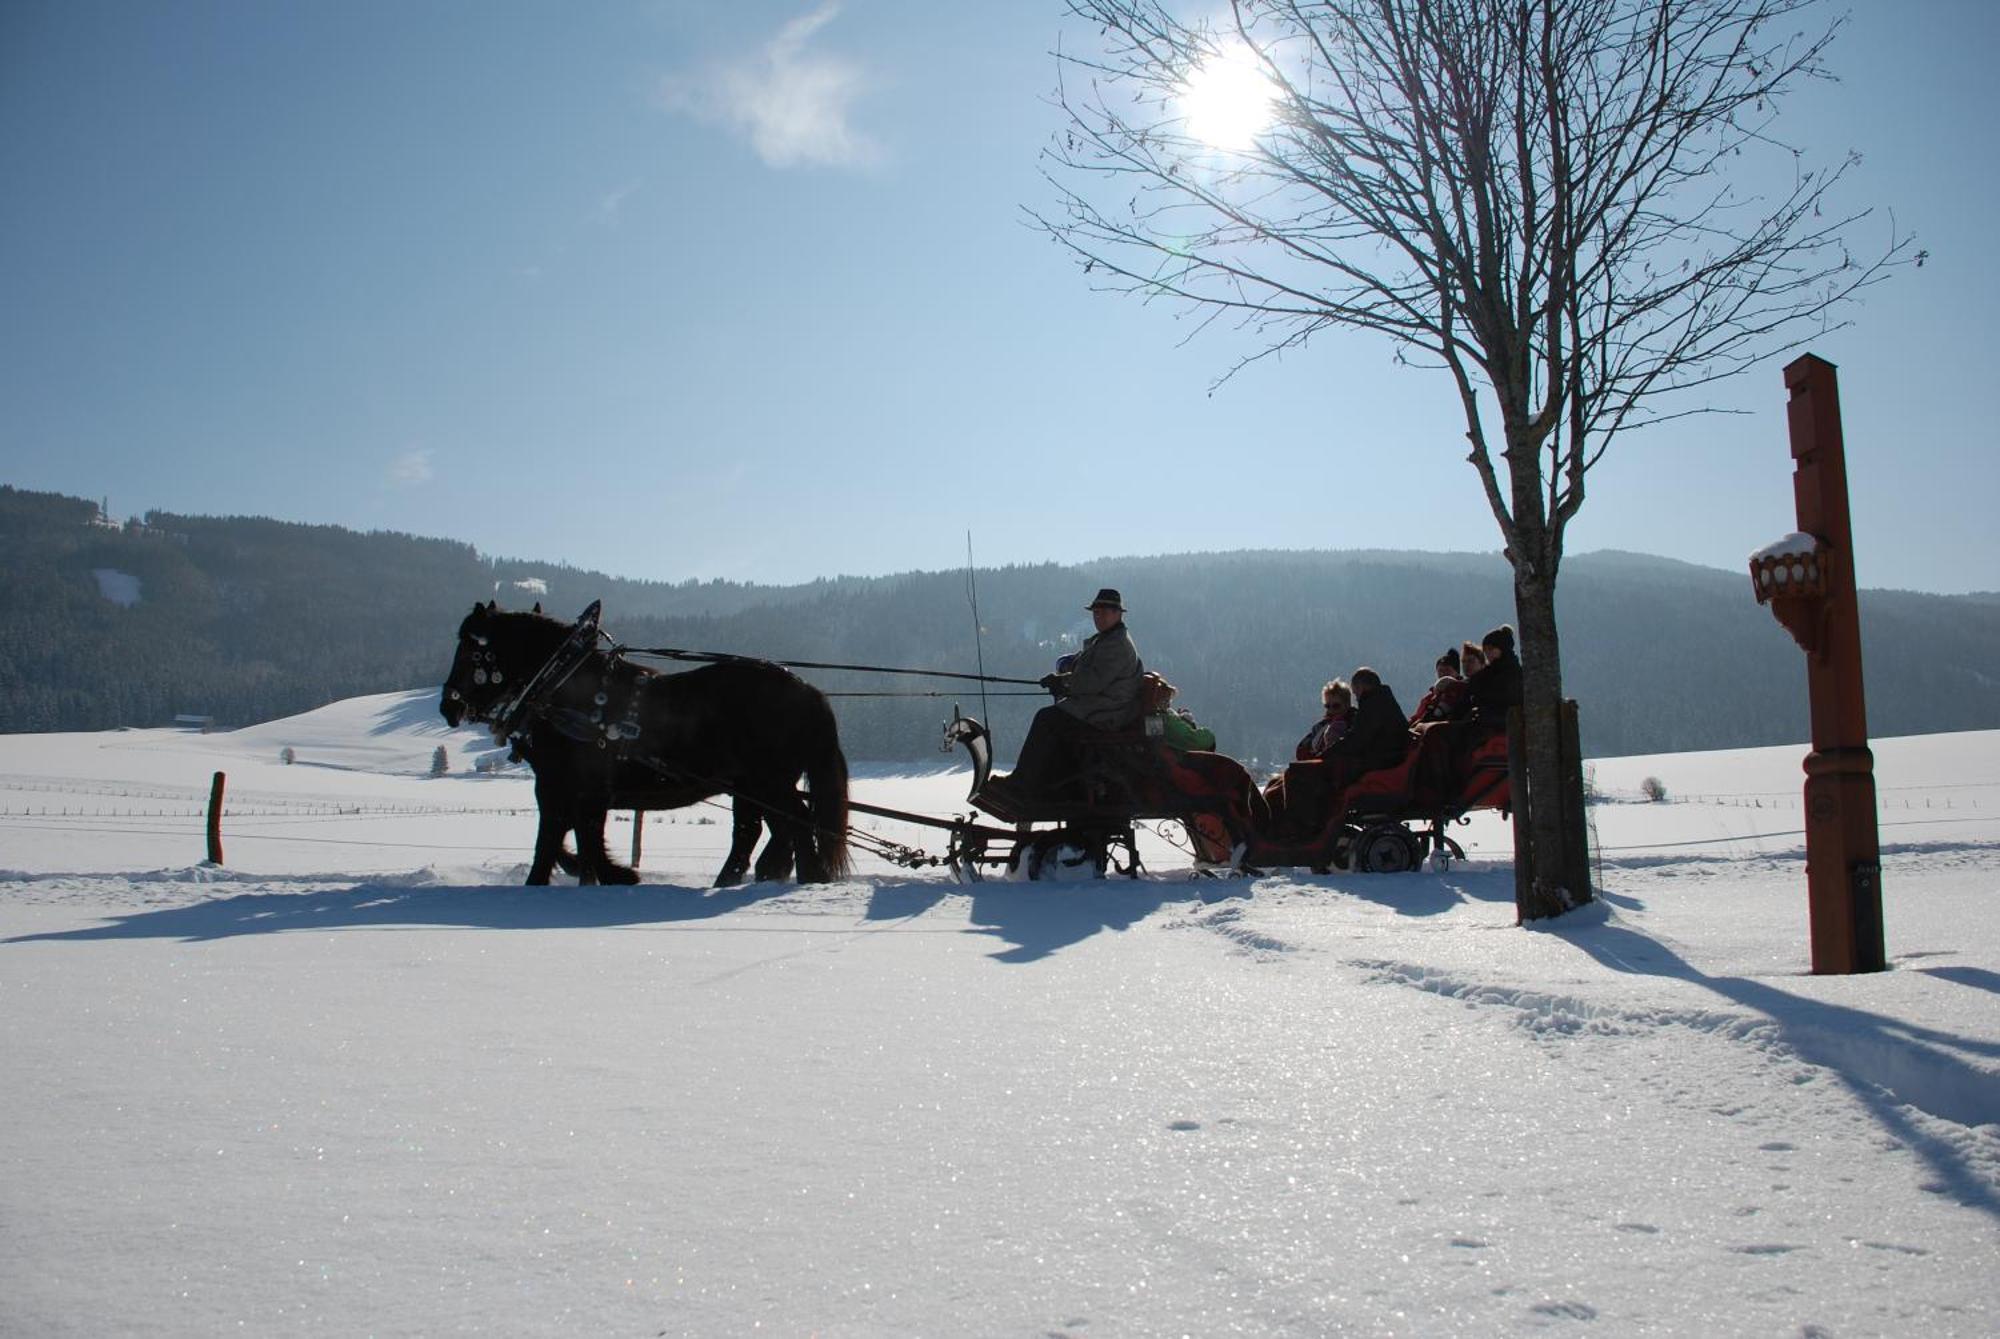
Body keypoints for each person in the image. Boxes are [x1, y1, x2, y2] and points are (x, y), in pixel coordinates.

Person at [986, 588, 1143, 800]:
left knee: (1047, 719)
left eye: (1105, 612)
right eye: (1096, 612)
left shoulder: (1116, 645)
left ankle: (1022, 784)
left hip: (1107, 711)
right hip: (1098, 705)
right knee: (1055, 718)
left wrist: (1062, 682)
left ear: (1118, 614)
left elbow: (1092, 681)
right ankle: (1045, 783)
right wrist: (1064, 678)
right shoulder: (1105, 640)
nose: (1099, 617)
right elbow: (1087, 674)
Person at [1142, 672, 1216, 752]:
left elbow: (1158, 742)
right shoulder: (1164, 720)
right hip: (1174, 761)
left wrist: (1181, 720)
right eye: (1165, 700)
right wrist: (1189, 723)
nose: (1168, 705)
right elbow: (1195, 740)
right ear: (1156, 700)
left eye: (1169, 700)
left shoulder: (1148, 718)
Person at [1295, 680, 1355, 760]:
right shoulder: (1320, 727)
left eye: (1336, 706)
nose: (1331, 710)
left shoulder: (1355, 724)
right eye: (1327, 706)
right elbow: (1301, 750)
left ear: (1347, 704)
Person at [1407, 648, 1467, 726]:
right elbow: (1416, 716)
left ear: (1457, 673)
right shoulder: (1429, 698)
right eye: (1440, 671)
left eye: (1447, 670)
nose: (1443, 674)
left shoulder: (1461, 693)